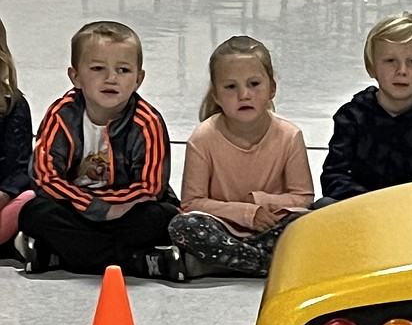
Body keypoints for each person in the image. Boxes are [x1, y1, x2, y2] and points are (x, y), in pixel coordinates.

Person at [16, 20, 181, 279]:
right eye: (97, 68)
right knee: (33, 212)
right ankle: (133, 261)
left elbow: (151, 187)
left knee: (163, 217)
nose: (111, 78)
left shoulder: (147, 122)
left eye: (123, 70)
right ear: (75, 76)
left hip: (128, 211)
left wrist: (115, 208)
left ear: (139, 79)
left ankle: (66, 254)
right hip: (76, 208)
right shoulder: (61, 115)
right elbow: (44, 177)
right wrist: (94, 207)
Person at [169, 36, 314, 278]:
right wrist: (246, 214)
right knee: (183, 226)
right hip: (221, 228)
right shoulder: (203, 138)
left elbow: (304, 197)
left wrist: (261, 203)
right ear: (215, 95)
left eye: (254, 84)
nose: (244, 94)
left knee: (312, 222)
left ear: (272, 89)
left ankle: (217, 264)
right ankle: (269, 265)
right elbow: (191, 203)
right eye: (230, 87)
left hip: (272, 226)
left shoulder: (289, 135)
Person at [320, 12, 412, 200]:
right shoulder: (352, 117)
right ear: (372, 66)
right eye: (390, 61)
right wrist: (374, 204)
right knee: (323, 205)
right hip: (362, 212)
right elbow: (334, 176)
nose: (402, 71)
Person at [0, 17, 34, 254]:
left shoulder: (13, 104)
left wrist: (2, 196)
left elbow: (21, 168)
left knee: (30, 199)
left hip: (3, 198)